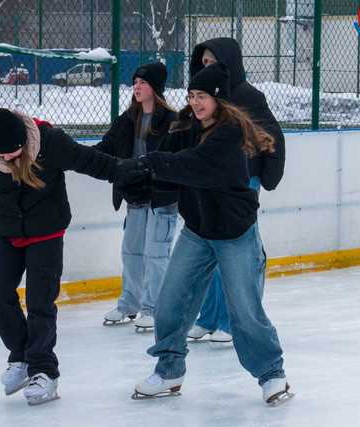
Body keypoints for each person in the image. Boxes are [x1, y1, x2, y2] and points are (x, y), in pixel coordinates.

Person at [113, 63, 293, 406]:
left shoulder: (229, 135)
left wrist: (149, 165)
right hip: (197, 230)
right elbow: (161, 158)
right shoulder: (186, 127)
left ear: (219, 100)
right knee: (169, 302)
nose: (196, 103)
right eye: (192, 96)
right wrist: (128, 173)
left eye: (202, 97)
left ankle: (272, 375)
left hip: (235, 232)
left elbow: (192, 165)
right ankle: (168, 370)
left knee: (244, 309)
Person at [0, 108, 119, 406]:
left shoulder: (49, 141)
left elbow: (89, 160)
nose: (9, 160)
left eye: (14, 154)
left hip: (46, 233)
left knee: (40, 303)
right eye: (3, 157)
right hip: (9, 233)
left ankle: (44, 371)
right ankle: (22, 357)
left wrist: (126, 172)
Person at [186, 37, 286, 343]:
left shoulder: (247, 96)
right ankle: (210, 318)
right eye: (203, 63)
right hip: (211, 185)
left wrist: (266, 177)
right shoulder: (203, 97)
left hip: (243, 182)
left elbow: (273, 137)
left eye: (213, 62)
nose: (207, 67)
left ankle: (234, 321)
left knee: (242, 255)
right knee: (213, 252)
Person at [94, 62, 178, 331]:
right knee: (131, 252)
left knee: (156, 254)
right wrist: (76, 157)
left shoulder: (171, 122)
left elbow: (176, 159)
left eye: (143, 82)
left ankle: (154, 308)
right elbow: (105, 147)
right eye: (135, 82)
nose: (137, 87)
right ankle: (129, 303)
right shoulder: (127, 119)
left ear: (155, 87)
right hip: (135, 196)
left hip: (162, 198)